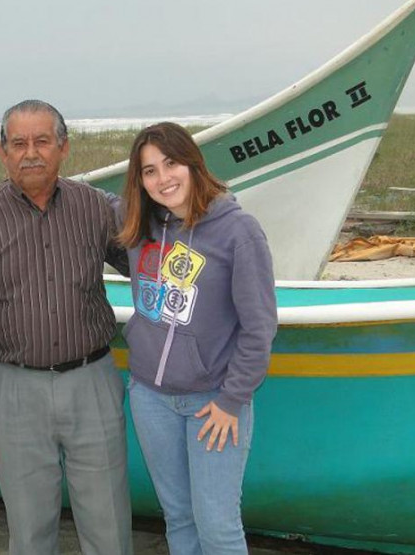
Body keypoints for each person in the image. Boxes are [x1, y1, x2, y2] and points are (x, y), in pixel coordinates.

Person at [0, 99, 133, 555]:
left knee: (108, 524)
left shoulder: (95, 207)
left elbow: (146, 265)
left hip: (92, 380)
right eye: (18, 143)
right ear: (3, 152)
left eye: (41, 141)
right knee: (29, 528)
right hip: (16, 389)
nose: (30, 153)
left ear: (63, 147)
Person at [117, 122, 277, 554]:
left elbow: (259, 325)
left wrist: (232, 400)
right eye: (149, 171)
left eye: (171, 164)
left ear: (192, 162)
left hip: (213, 404)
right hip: (150, 397)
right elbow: (85, 202)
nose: (163, 178)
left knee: (218, 526)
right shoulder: (142, 225)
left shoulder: (239, 231)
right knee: (179, 518)